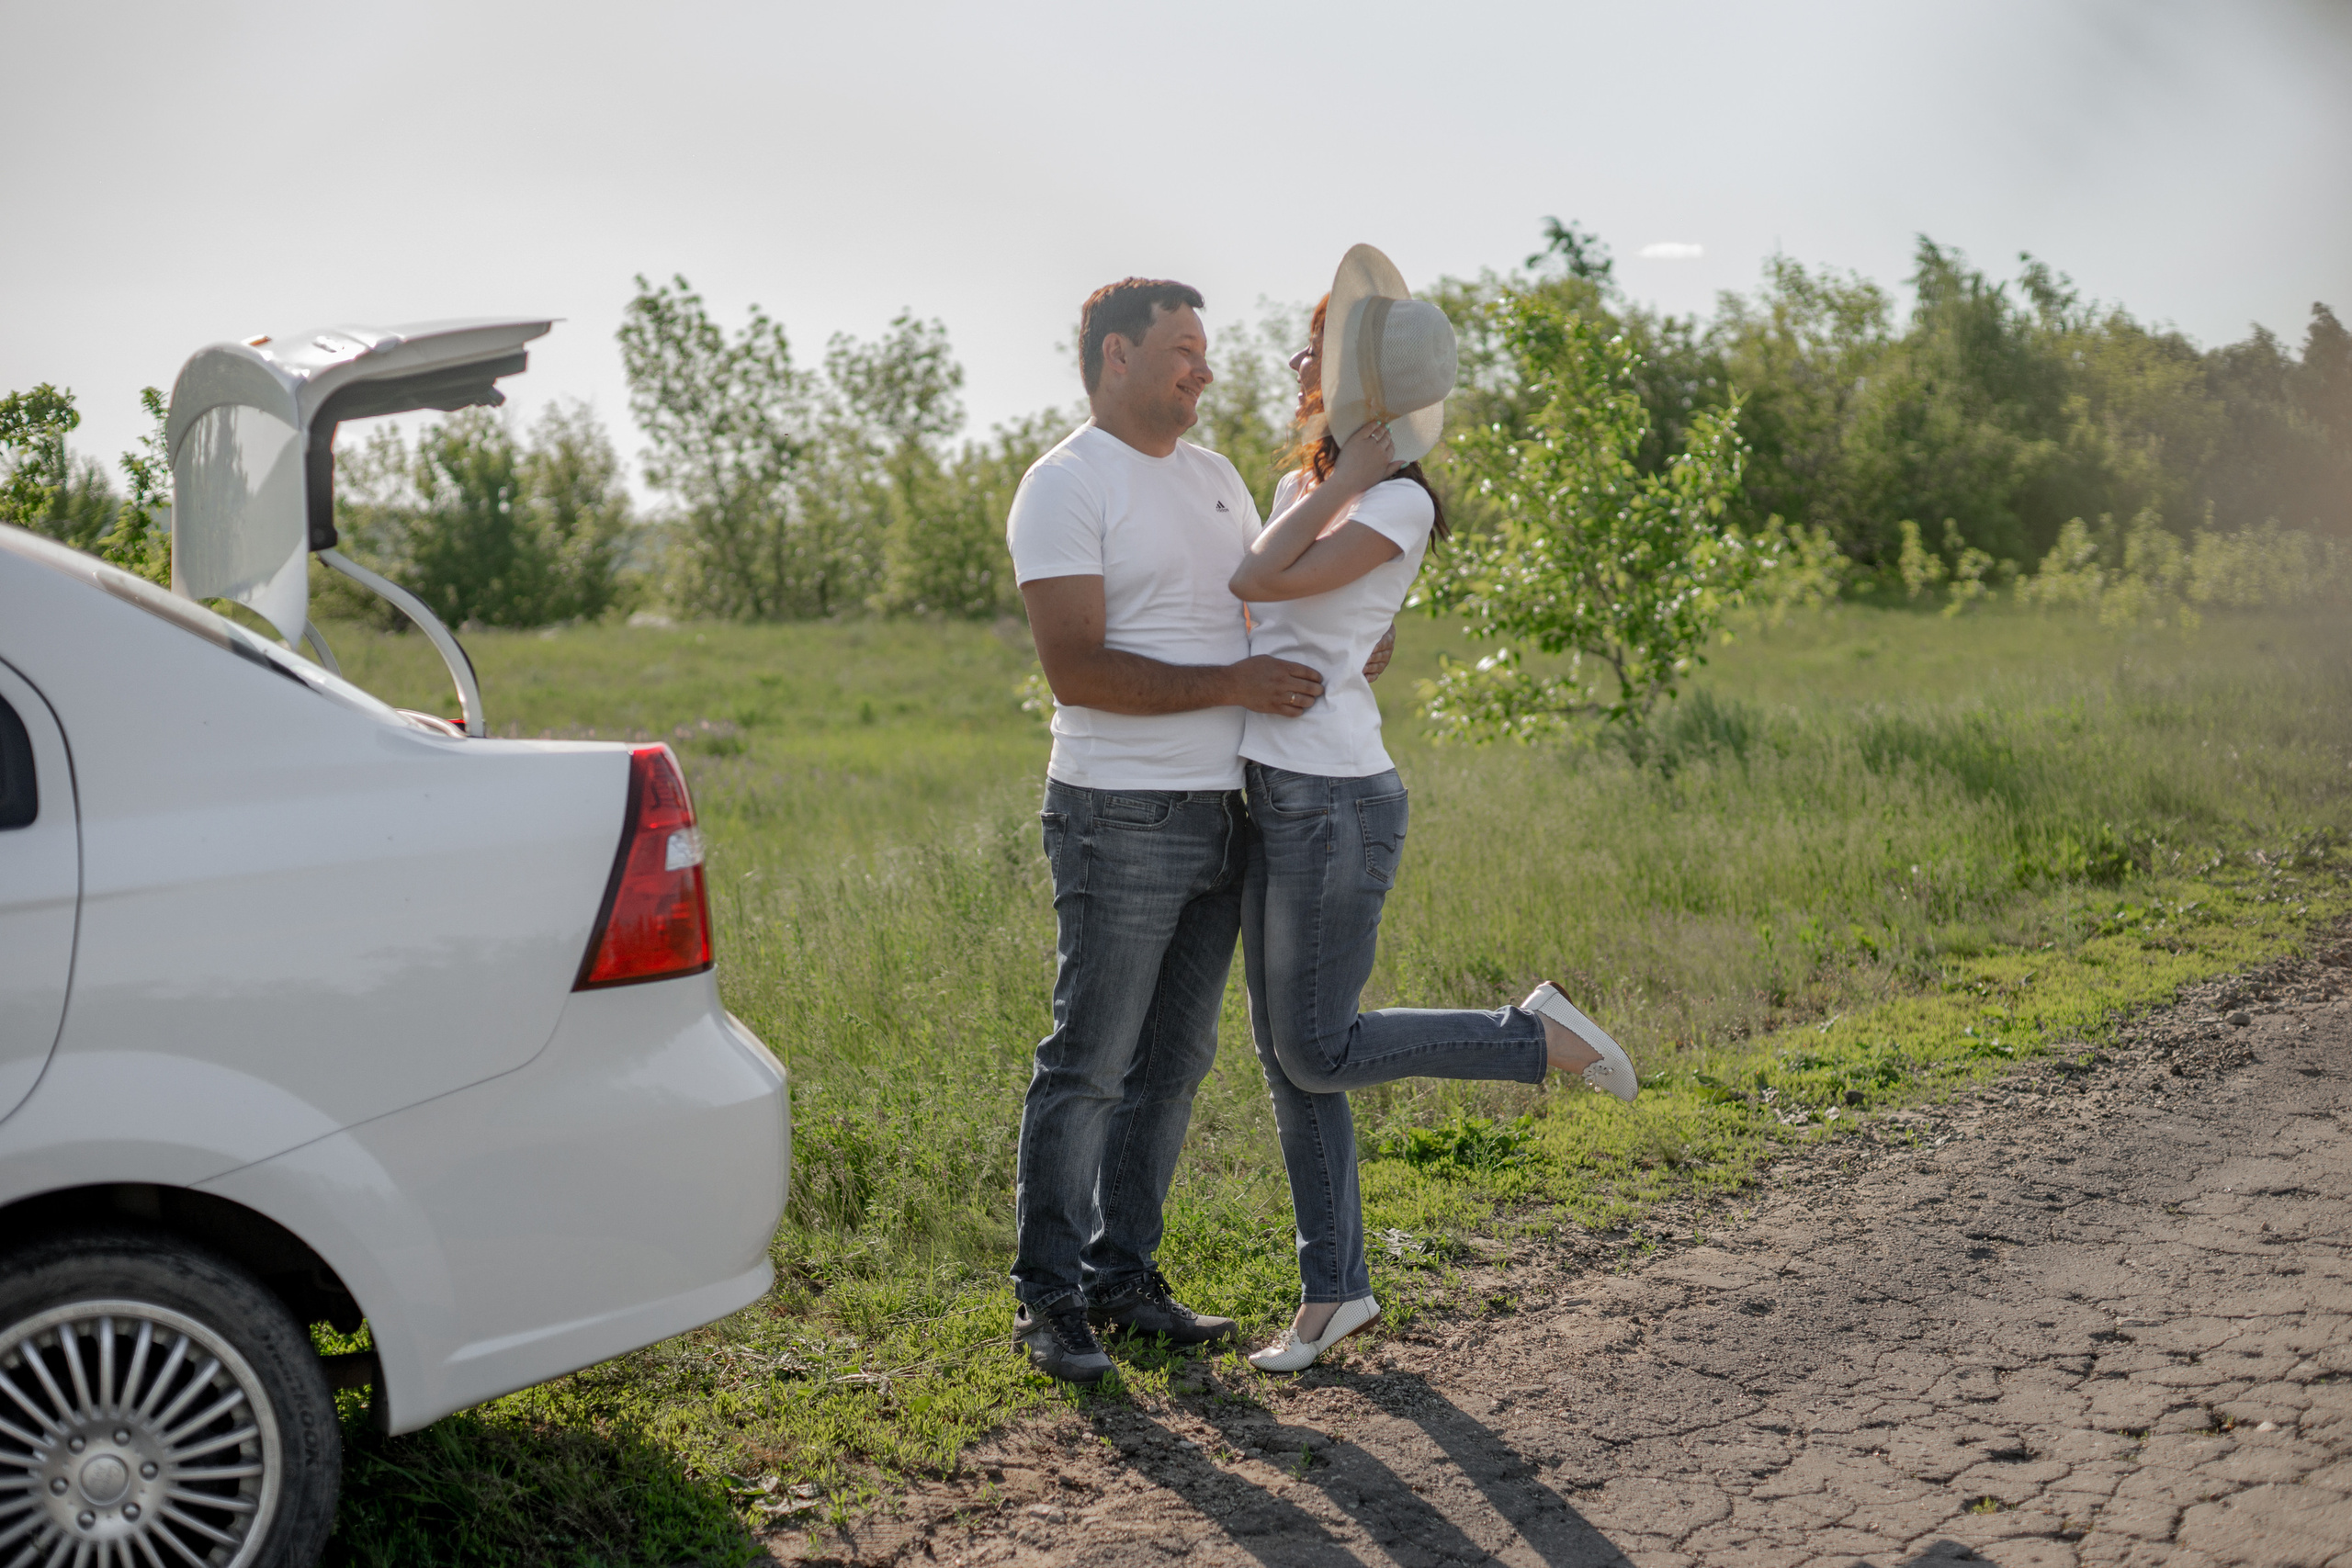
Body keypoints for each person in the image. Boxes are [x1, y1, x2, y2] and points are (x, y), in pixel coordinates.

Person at [1227, 245, 1639, 1374]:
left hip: (1336, 803)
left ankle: (1532, 1039)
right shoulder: (1303, 488)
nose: (1303, 352)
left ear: (1364, 376)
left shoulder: (1393, 502)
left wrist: (1351, 487)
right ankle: (1333, 1294)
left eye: (1326, 340)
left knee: (1317, 1047)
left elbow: (1256, 583)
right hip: (1276, 789)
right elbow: (1291, 623)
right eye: (1312, 336)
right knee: (1288, 1055)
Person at [1002, 277, 1329, 1383]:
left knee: (1174, 1064)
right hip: (1117, 814)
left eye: (1206, 349)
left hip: (1230, 809)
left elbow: (1256, 613)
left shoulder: (1219, 477)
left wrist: (1333, 649)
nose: (1202, 368)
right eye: (1182, 348)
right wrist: (1237, 678)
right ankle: (1047, 1300)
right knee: (1088, 1063)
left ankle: (1123, 1277)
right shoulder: (1064, 485)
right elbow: (1077, 669)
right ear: (1113, 358)